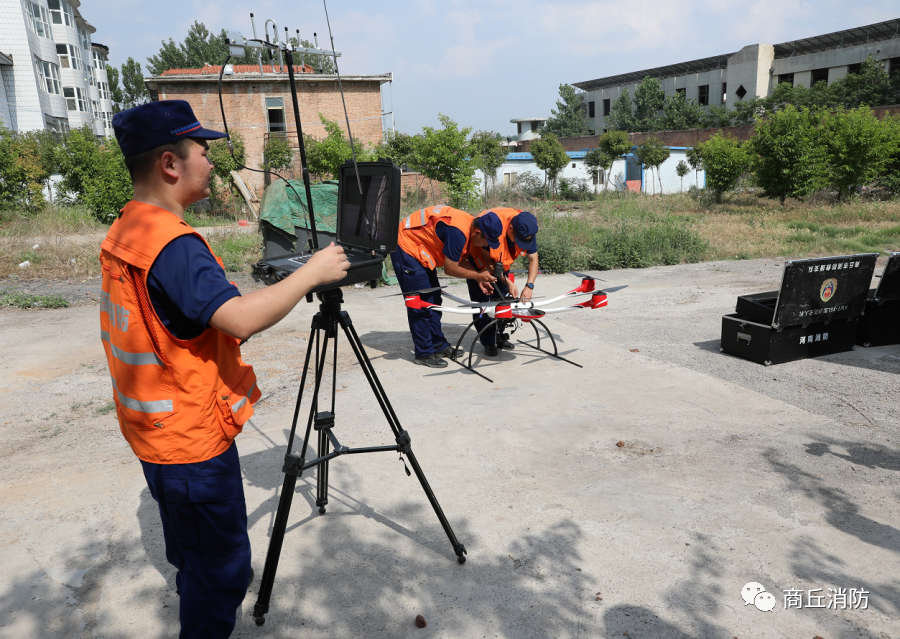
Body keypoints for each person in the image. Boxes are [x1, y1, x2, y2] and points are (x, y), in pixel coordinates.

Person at [99, 100, 349, 638]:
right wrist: (313, 271)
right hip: (190, 443)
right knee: (221, 571)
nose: (211, 163)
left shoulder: (129, 226)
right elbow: (237, 320)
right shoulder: (174, 245)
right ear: (171, 163)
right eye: (204, 151)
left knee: (194, 555)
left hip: (155, 433)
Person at [391, 205, 503, 368]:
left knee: (434, 299)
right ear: (478, 233)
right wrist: (478, 275)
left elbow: (461, 259)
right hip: (407, 245)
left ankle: (437, 344)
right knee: (421, 303)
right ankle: (424, 352)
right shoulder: (458, 232)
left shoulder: (469, 227)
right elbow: (450, 268)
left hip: (422, 248)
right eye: (487, 241)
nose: (487, 245)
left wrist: (479, 278)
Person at [463, 208, 540, 356]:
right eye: (518, 239)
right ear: (511, 227)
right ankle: (488, 341)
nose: (521, 243)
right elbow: (488, 263)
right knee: (483, 303)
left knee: (502, 301)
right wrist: (507, 281)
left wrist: (529, 285)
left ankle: (499, 335)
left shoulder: (527, 229)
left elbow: (533, 259)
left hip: (499, 264)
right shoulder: (492, 227)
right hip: (479, 262)